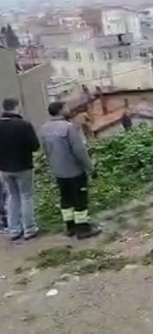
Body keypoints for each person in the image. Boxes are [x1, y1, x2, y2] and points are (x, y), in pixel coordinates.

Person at [39, 101, 101, 239]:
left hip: (59, 172)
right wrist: (90, 168)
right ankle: (83, 229)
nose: (68, 109)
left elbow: (46, 151)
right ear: (60, 110)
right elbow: (79, 151)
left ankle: (70, 227)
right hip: (74, 171)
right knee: (80, 200)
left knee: (66, 200)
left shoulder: (43, 129)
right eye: (65, 107)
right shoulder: (68, 128)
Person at [0, 98, 40, 240]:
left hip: (4, 168)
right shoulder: (23, 125)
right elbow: (35, 146)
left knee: (12, 197)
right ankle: (29, 228)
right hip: (23, 166)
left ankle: (14, 230)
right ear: (16, 107)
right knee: (26, 196)